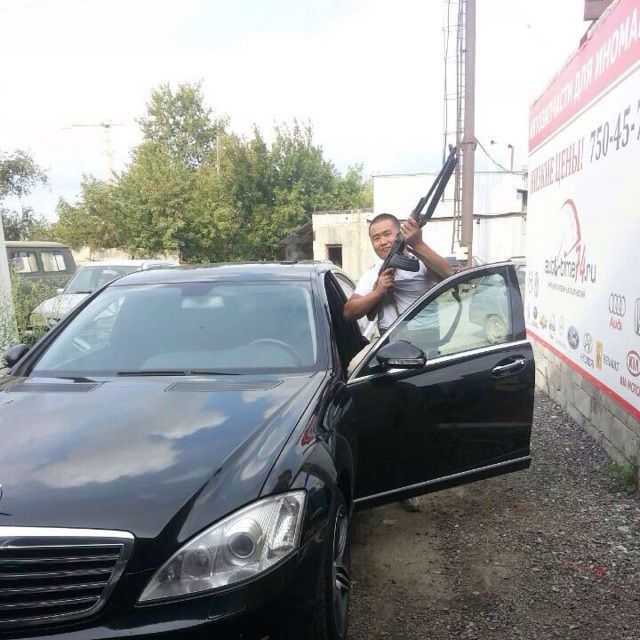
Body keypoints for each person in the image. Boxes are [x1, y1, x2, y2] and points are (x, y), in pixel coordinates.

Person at [343, 212, 454, 512]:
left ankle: (417, 481)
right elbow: (350, 311)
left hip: (425, 348)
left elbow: (450, 275)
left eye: (387, 234)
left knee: (421, 419)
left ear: (400, 233)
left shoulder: (421, 263)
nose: (382, 241)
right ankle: (397, 480)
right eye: (375, 237)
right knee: (392, 417)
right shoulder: (375, 273)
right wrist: (378, 291)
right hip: (390, 350)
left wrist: (418, 244)